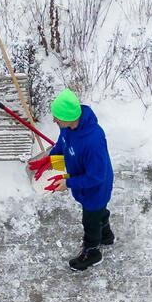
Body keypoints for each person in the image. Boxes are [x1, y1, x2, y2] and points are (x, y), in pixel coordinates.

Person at [32, 89, 114, 273]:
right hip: (85, 183)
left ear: (70, 117)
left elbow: (96, 176)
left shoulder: (93, 141)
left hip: (95, 189)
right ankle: (107, 235)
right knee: (98, 213)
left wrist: (68, 183)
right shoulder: (68, 127)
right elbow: (63, 142)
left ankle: (92, 253)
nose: (54, 121)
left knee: (90, 220)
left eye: (57, 117)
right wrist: (51, 157)